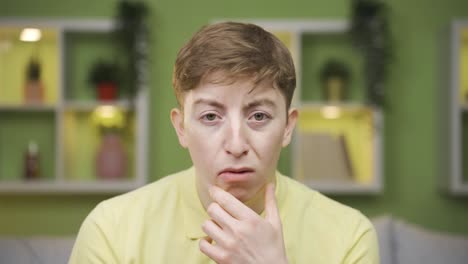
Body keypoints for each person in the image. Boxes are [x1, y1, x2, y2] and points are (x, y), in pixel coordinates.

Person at [69, 21, 379, 264]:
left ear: (287, 127)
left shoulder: (350, 236)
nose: (235, 145)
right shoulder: (111, 229)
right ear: (181, 128)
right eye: (210, 117)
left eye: (258, 116)